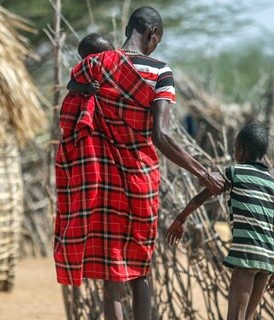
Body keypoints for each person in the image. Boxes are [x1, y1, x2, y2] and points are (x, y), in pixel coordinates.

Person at [54, 6, 225, 320]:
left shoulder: (94, 64)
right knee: (139, 273)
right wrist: (202, 172)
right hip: (140, 183)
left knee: (112, 281)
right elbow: (160, 135)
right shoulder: (161, 72)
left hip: (104, 185)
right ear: (152, 34)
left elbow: (72, 107)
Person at [166, 122, 274, 320]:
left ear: (241, 150)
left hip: (246, 255)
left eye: (234, 149)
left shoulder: (235, 173)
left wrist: (180, 219)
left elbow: (201, 197)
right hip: (267, 261)